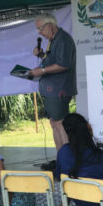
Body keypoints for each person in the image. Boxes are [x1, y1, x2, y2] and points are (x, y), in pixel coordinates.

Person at [30, 13, 77, 151]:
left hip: (59, 89)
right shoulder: (55, 39)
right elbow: (53, 60)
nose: (39, 32)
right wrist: (41, 55)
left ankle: (67, 158)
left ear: (50, 25)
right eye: (38, 29)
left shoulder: (62, 40)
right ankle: (62, 156)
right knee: (55, 122)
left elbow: (63, 64)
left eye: (41, 28)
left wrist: (42, 71)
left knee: (59, 123)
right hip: (53, 89)